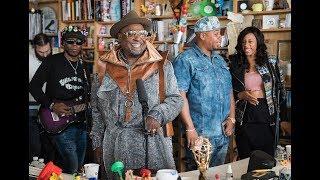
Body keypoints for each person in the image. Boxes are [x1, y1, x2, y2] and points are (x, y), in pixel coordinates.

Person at [90, 10, 183, 179]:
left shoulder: (162, 65)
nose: (138, 38)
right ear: (119, 37)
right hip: (115, 147)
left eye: (142, 33)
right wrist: (97, 144)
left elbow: (176, 99)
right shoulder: (104, 67)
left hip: (153, 144)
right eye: (131, 33)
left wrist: (157, 115)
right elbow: (96, 110)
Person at [172, 16, 236, 170]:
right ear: (202, 35)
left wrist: (232, 118)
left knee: (217, 174)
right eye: (216, 33)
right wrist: (190, 128)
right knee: (198, 175)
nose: (219, 37)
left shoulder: (220, 61)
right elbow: (180, 96)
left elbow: (229, 92)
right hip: (200, 135)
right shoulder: (185, 60)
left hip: (223, 134)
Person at [30, 25, 91, 173]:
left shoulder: (86, 66)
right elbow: (33, 86)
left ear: (83, 44)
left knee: (79, 165)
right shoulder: (51, 62)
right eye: (70, 42)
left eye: (79, 42)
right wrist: (51, 105)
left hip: (80, 121)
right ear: (63, 43)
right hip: (58, 120)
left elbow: (89, 94)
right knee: (72, 163)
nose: (75, 46)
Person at [229, 26, 286, 159]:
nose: (246, 45)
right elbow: (228, 91)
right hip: (244, 116)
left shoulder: (271, 62)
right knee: (245, 160)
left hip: (267, 116)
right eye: (243, 42)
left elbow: (281, 91)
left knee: (265, 159)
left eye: (250, 41)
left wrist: (284, 119)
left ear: (258, 43)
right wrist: (240, 95)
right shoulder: (235, 64)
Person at [29, 33, 56, 162]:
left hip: (49, 105)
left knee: (49, 144)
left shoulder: (56, 56)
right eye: (41, 52)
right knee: (34, 144)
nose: (45, 55)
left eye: (47, 51)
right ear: (34, 48)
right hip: (31, 105)